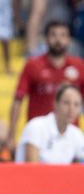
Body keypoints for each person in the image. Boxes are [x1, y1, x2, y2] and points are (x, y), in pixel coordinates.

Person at [9, 21, 84, 149]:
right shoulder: (33, 65)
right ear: (46, 39)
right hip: (39, 135)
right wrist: (11, 136)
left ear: (69, 40)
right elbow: (18, 99)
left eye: (63, 35)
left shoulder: (79, 66)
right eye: (53, 35)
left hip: (70, 134)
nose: (58, 40)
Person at [15, 84, 84, 163]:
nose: (71, 109)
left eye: (76, 105)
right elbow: (32, 168)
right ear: (55, 104)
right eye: (66, 103)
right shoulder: (36, 127)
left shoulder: (77, 134)